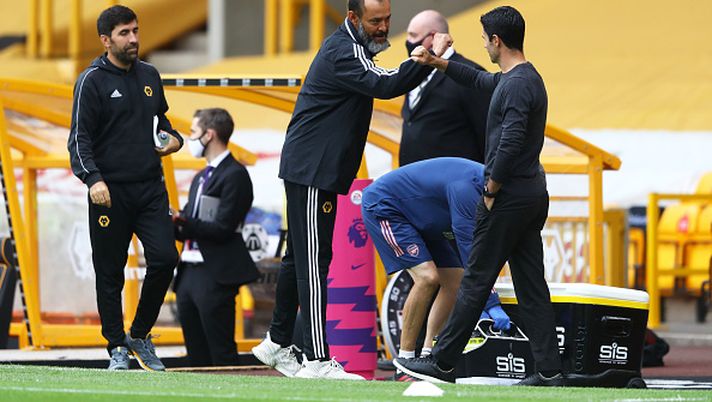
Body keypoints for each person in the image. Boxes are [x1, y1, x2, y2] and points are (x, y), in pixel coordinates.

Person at [251, 0, 448, 380]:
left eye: (388, 19)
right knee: (313, 261)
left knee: (299, 259)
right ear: (353, 18)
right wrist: (425, 59)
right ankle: (318, 360)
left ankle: (276, 342)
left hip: (315, 169)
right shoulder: (345, 50)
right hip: (312, 170)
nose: (383, 27)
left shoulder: (352, 47)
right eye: (376, 21)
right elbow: (385, 84)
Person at [394, 6, 565, 386]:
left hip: (508, 197)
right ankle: (550, 370)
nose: (484, 45)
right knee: (531, 285)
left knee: (475, 280)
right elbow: (478, 80)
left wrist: (491, 188)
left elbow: (512, 139)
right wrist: (440, 63)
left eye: (485, 39)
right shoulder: (518, 78)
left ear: (497, 41)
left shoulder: (518, 84)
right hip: (529, 195)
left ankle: (442, 362)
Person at [67, 5, 183, 371]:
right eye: (124, 33)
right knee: (110, 273)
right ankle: (116, 346)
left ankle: (140, 334)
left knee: (165, 258)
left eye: (135, 30)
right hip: (109, 192)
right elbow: (78, 140)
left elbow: (160, 122)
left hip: (150, 188)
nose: (133, 39)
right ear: (106, 40)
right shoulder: (91, 81)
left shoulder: (150, 74)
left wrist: (174, 139)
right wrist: (92, 179)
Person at [361, 157, 511, 381]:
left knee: (455, 281)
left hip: (427, 217)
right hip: (385, 206)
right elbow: (469, 248)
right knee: (428, 277)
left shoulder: (492, 186)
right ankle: (405, 362)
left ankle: (428, 355)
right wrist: (489, 302)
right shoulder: (467, 190)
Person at [172, 108, 260, 367]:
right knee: (195, 351)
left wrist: (184, 222)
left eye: (193, 132)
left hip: (215, 272)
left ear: (209, 135)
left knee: (220, 350)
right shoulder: (200, 177)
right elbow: (192, 221)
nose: (190, 139)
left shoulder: (235, 174)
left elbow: (223, 226)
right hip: (188, 271)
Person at [399, 10, 490, 166]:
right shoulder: (413, 70)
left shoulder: (470, 75)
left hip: (455, 182)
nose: (408, 41)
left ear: (434, 37)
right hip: (414, 182)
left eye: (413, 36)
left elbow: (487, 132)